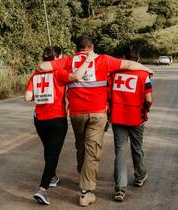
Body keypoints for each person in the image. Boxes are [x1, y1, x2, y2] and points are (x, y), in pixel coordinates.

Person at [39, 35, 154, 207]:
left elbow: (42, 66)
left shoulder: (68, 61)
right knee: (92, 149)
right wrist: (147, 70)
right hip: (98, 113)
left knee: (81, 146)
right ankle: (86, 192)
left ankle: (84, 173)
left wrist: (67, 71)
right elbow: (129, 64)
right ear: (91, 47)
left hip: (76, 113)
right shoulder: (103, 59)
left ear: (77, 48)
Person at [24, 46, 97, 205]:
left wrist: (42, 94)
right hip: (56, 118)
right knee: (53, 155)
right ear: (57, 58)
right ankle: (42, 189)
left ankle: (52, 177)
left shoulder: (36, 74)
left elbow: (28, 96)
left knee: (48, 150)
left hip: (39, 119)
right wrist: (88, 60)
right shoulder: (59, 73)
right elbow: (77, 76)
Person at [108, 48, 153, 202]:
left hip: (118, 118)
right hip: (136, 118)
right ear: (138, 59)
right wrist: (145, 110)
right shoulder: (143, 75)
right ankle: (140, 176)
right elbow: (148, 99)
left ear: (124, 58)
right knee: (137, 147)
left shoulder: (114, 75)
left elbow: (108, 96)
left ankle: (120, 189)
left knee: (120, 151)